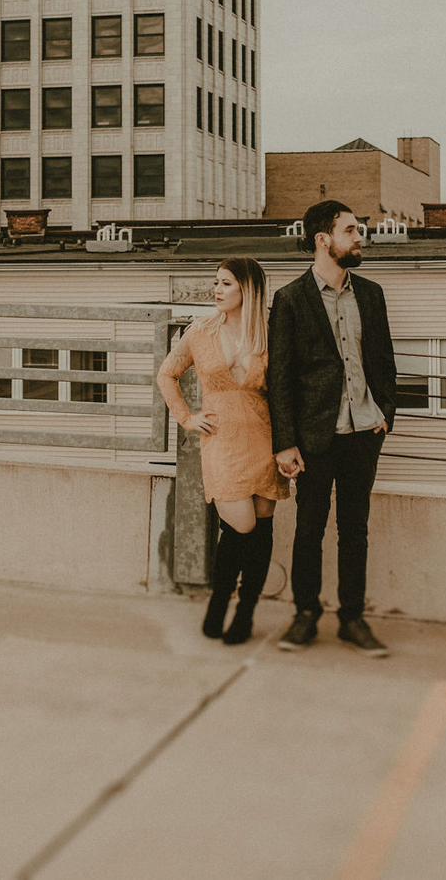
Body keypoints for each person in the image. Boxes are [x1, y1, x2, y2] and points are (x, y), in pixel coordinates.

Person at [267, 200, 396, 657]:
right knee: (309, 529)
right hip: (316, 438)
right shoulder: (289, 300)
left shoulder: (372, 294)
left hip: (365, 433)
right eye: (352, 230)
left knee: (355, 530)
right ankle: (305, 615)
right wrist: (285, 443)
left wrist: (385, 415)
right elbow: (278, 378)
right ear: (324, 240)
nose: (360, 237)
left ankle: (352, 618)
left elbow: (383, 363)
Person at [157, 257, 287, 645]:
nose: (216, 290)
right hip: (221, 441)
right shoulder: (200, 330)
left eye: (225, 283)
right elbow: (167, 374)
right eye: (216, 282)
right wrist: (187, 417)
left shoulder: (269, 333)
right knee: (241, 523)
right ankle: (219, 603)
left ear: (247, 289)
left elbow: (284, 390)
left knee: (260, 524)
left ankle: (242, 613)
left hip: (264, 438)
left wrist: (289, 444)